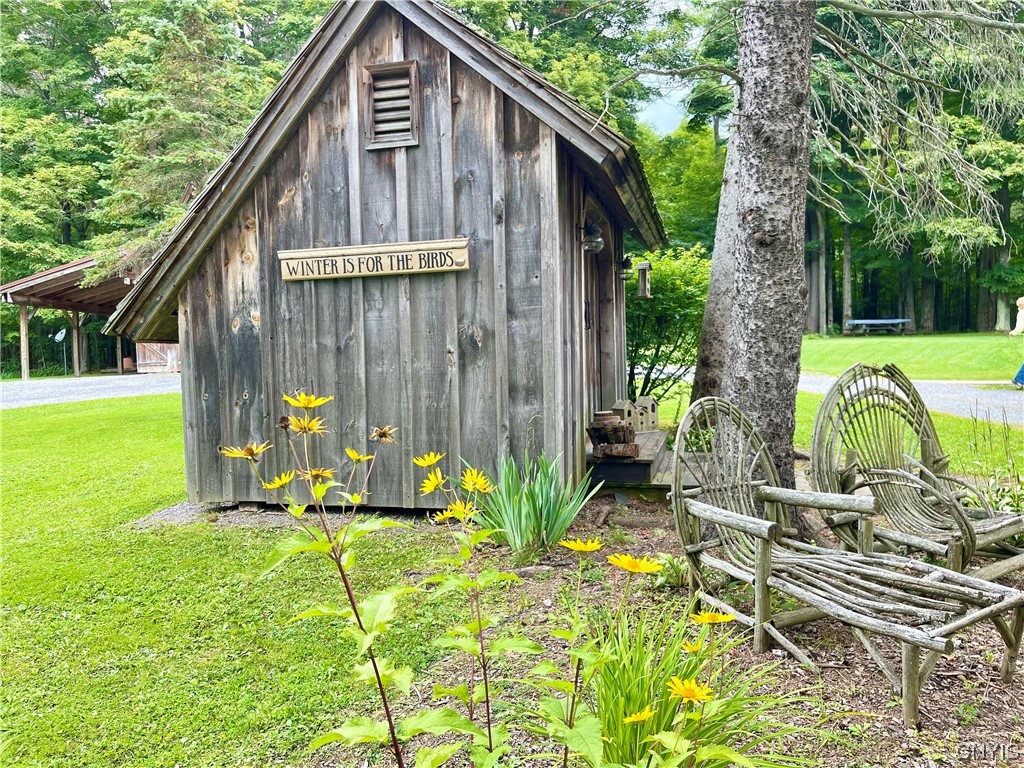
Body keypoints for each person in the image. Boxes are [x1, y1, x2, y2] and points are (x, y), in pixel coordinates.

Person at [1011, 295, 1024, 390]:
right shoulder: (1022, 314)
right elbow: (1020, 327)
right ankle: (1019, 380)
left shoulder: (1021, 314)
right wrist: (1014, 332)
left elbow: (1019, 328)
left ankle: (1019, 380)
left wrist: (1013, 332)